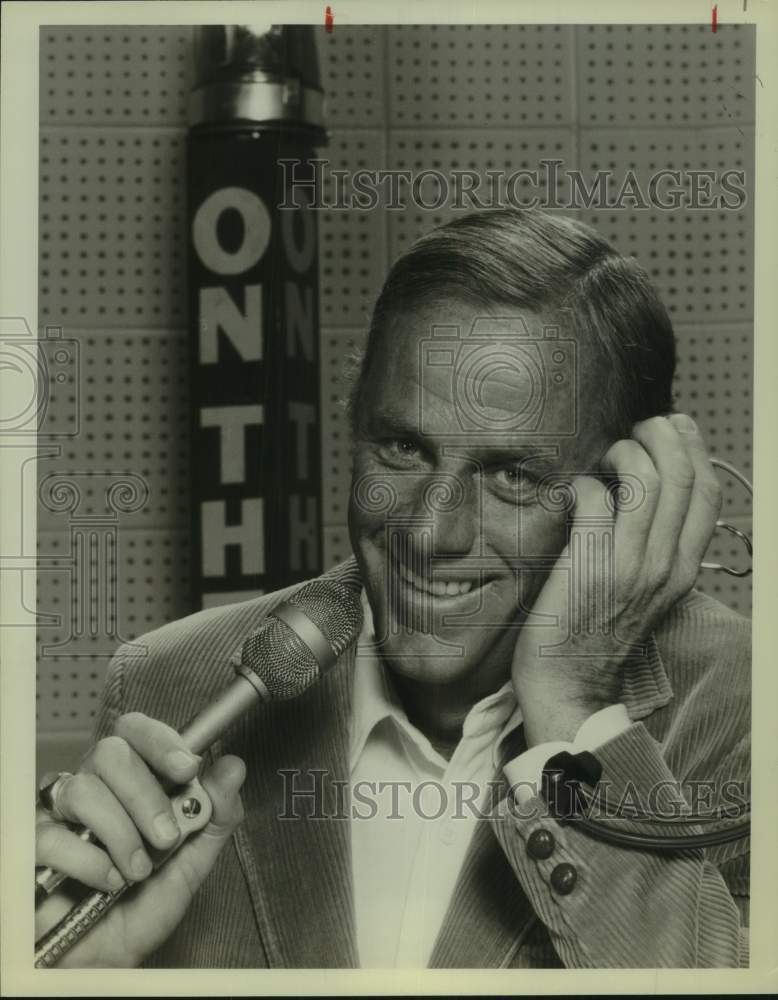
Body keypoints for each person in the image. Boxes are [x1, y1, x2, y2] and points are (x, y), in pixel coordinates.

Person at [35, 209, 750, 968]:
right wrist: (68, 973)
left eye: (512, 475)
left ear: (630, 495)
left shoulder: (743, 709)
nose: (428, 532)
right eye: (403, 448)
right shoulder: (166, 682)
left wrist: (574, 711)